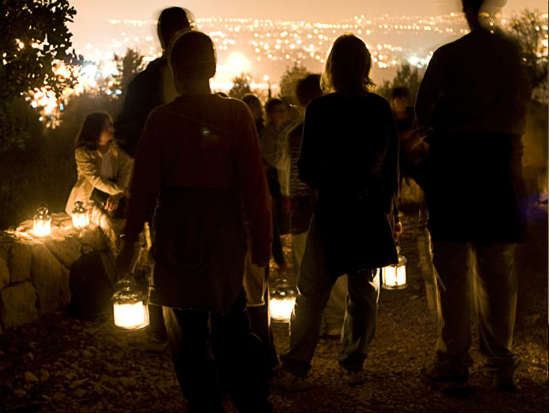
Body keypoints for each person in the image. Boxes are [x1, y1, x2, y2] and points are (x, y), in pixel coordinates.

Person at [116, 31, 273, 413]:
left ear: (174, 72)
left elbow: (143, 189)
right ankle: (248, 398)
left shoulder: (161, 120)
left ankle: (204, 402)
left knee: (185, 334)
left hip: (175, 235)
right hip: (224, 235)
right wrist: (263, 245)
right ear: (213, 67)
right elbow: (255, 186)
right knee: (231, 324)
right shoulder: (236, 115)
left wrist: (130, 240)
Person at [415, 0, 530, 392]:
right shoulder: (510, 56)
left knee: (451, 269)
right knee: (497, 270)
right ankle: (500, 363)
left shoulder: (448, 56)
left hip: (453, 169)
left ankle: (454, 359)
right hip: (496, 169)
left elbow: (423, 111)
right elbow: (520, 112)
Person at [278, 34, 400, 389]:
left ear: (332, 66)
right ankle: (353, 361)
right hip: (368, 214)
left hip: (331, 213)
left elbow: (308, 167)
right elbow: (391, 167)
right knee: (362, 293)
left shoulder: (319, 110)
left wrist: (330, 184)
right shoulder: (378, 108)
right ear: (366, 66)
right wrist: (388, 209)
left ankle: (298, 364)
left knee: (311, 292)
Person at [115, 7, 194, 346]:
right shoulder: (156, 82)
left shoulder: (147, 82)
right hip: (174, 185)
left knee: (164, 254)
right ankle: (169, 327)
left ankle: (170, 326)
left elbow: (124, 131)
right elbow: (126, 132)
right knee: (167, 253)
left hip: (171, 183)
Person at [115, 7, 194, 157]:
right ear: (178, 34)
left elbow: (125, 135)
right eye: (188, 29)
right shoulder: (190, 77)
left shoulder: (142, 82)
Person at [66, 112, 133, 253]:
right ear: (95, 130)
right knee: (108, 225)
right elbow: (96, 180)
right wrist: (120, 191)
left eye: (111, 126)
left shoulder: (117, 150)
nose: (112, 130)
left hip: (114, 196)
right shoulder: (83, 152)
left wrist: (118, 195)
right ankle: (118, 260)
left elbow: (127, 168)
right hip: (90, 198)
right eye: (107, 127)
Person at [260, 98, 292, 274]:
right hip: (273, 183)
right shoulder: (267, 134)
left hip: (287, 182)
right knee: (274, 222)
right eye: (276, 111)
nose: (280, 114)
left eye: (282, 110)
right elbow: (275, 158)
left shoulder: (290, 131)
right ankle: (278, 260)